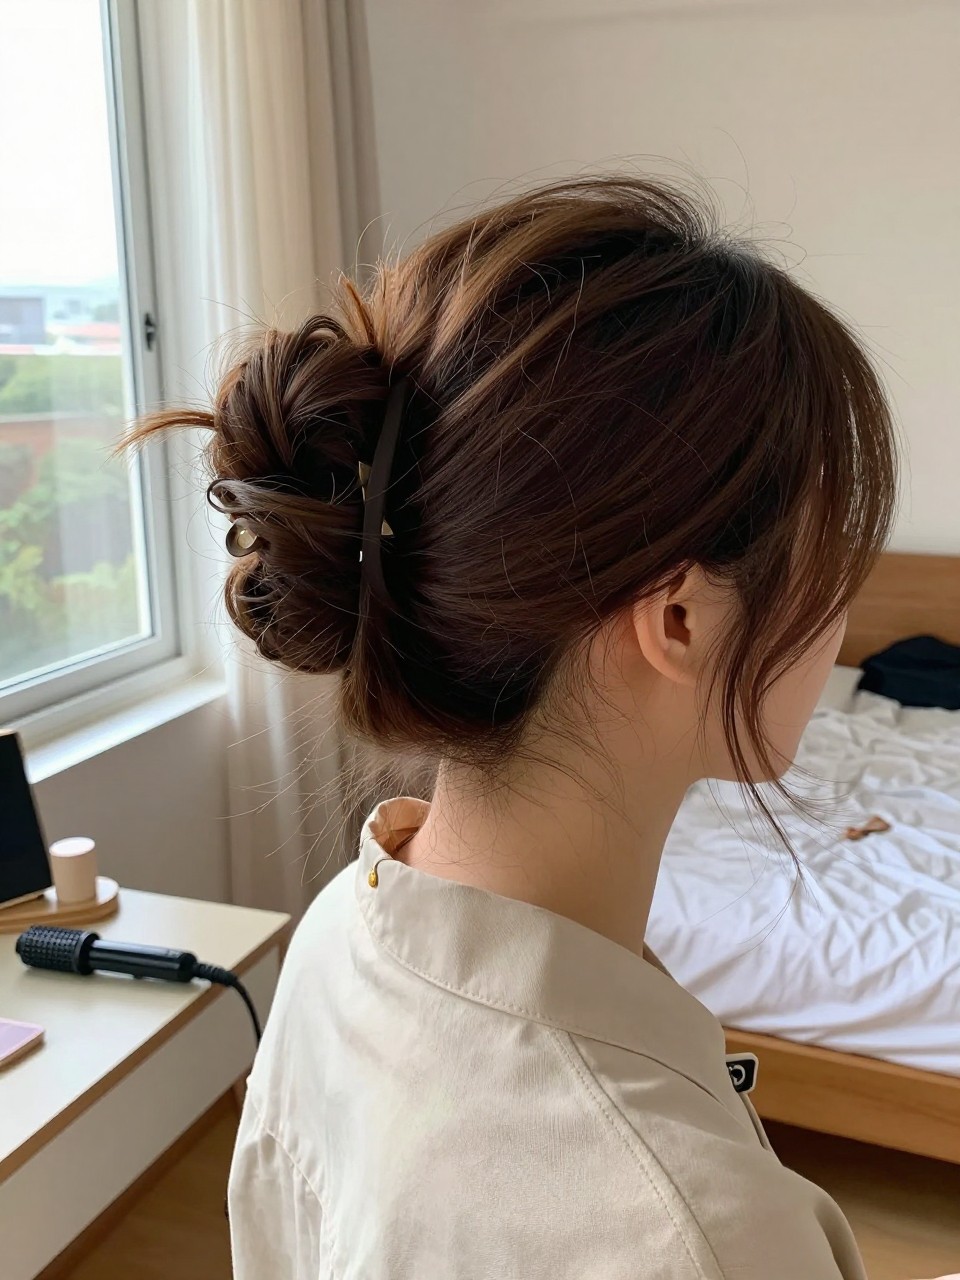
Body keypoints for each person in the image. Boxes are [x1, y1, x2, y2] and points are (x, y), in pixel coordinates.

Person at [134, 176, 950, 1279]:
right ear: (680, 617)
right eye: (833, 550)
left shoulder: (346, 927)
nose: (842, 609)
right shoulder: (694, 1232)